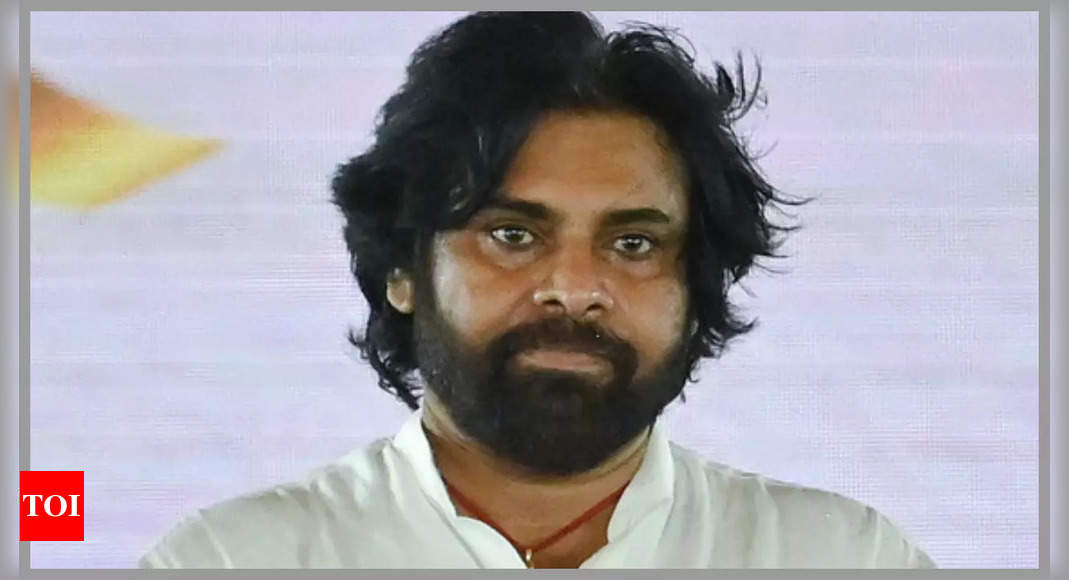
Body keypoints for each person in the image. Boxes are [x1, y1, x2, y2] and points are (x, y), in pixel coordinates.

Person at [140, 11, 935, 569]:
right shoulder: (232, 560)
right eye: (513, 236)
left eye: (632, 244)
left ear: (694, 289)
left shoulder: (839, 558)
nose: (575, 290)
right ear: (402, 271)